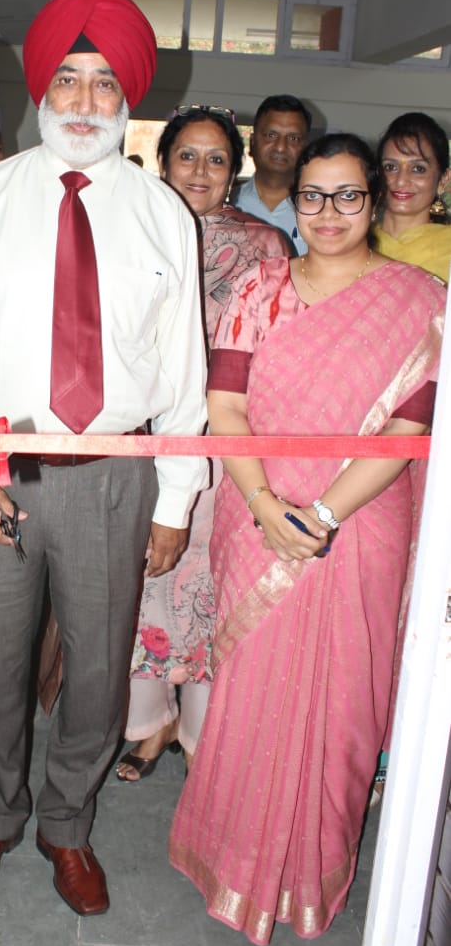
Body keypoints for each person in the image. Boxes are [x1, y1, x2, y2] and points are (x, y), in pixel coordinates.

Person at [0, 0, 207, 916]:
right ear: (40, 89)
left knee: (97, 668)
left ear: (127, 97)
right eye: (67, 79)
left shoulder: (163, 215)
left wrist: (173, 500)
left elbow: (184, 375)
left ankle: (67, 827)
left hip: (116, 480)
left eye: (103, 82)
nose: (83, 100)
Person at [169, 134, 446, 945]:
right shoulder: (258, 286)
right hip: (257, 514)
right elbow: (226, 406)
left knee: (342, 703)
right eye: (313, 196)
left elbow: (406, 429)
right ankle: (237, 864)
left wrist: (322, 515)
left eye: (347, 194)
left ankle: (309, 874)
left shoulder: (420, 299)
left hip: (359, 523)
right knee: (252, 694)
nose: (329, 212)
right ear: (294, 202)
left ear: (374, 200)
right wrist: (264, 506)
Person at [117, 106, 289, 781]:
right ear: (162, 163)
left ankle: (200, 732)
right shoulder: (129, 229)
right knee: (145, 581)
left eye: (216, 158)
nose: (199, 170)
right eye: (186, 155)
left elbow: (279, 354)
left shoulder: (266, 246)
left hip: (225, 448)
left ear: (234, 172)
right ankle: (149, 724)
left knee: (212, 589)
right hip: (142, 439)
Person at [372, 111, 451, 283]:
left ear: (443, 179)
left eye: (418, 169)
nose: (401, 180)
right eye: (390, 167)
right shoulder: (354, 241)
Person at [231, 93, 311, 253]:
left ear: (306, 149)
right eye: (271, 135)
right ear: (252, 143)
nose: (281, 147)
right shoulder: (228, 203)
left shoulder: (319, 211)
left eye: (293, 138)